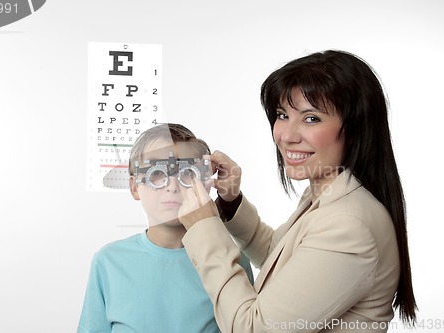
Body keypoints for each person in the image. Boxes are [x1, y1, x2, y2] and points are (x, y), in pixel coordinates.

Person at [177, 50, 417, 332]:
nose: (287, 135)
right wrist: (231, 202)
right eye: (282, 115)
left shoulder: (348, 226)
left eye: (311, 118)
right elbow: (279, 258)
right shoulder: (330, 193)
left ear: (354, 130)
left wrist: (205, 228)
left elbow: (253, 328)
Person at [77, 123, 254, 333]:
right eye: (156, 174)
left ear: (206, 183)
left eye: (187, 173)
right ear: (135, 187)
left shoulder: (232, 259)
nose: (172, 186)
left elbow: (248, 326)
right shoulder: (108, 261)